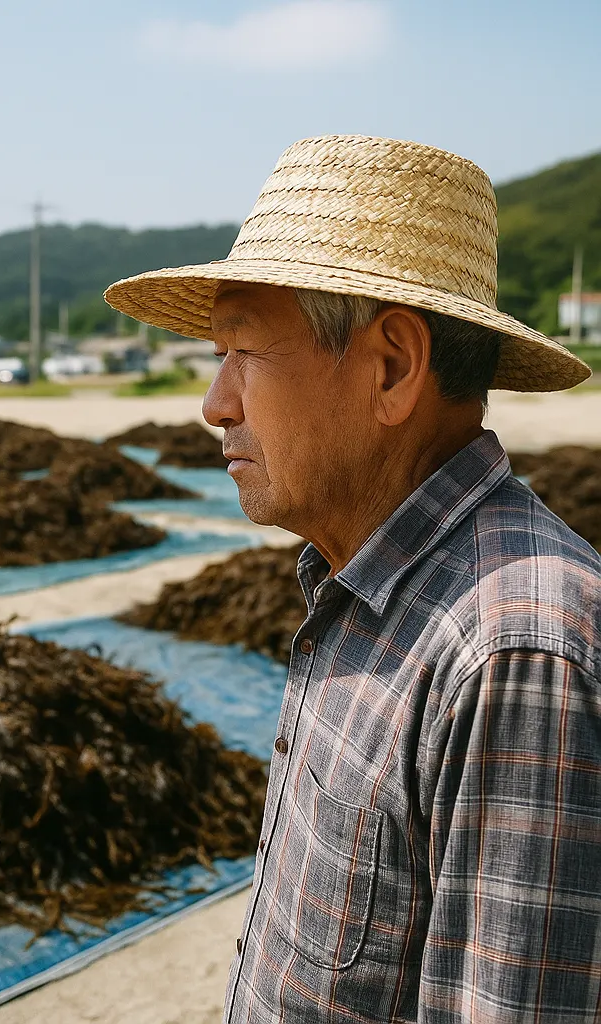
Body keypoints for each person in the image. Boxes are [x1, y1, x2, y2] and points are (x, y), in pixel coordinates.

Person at [105, 135, 601, 1023]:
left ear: (392, 366)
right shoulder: (363, 583)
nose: (216, 404)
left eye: (244, 354)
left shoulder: (517, 652)